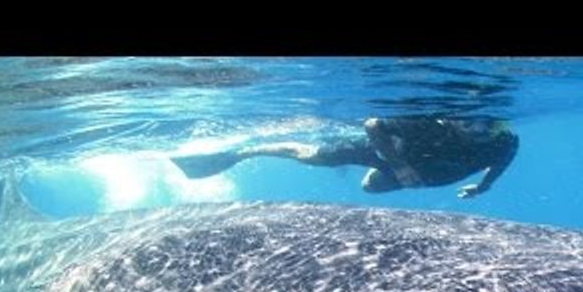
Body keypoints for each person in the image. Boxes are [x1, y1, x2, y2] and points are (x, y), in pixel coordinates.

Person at [171, 116, 519, 199]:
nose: (477, 128)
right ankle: (244, 151)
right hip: (389, 155)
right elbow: (373, 125)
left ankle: (369, 175)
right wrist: (399, 164)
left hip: (424, 174)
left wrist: (483, 187)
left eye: (487, 124)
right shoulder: (429, 125)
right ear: (454, 117)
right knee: (310, 155)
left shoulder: (504, 141)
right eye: (470, 121)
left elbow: (499, 165)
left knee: (370, 189)